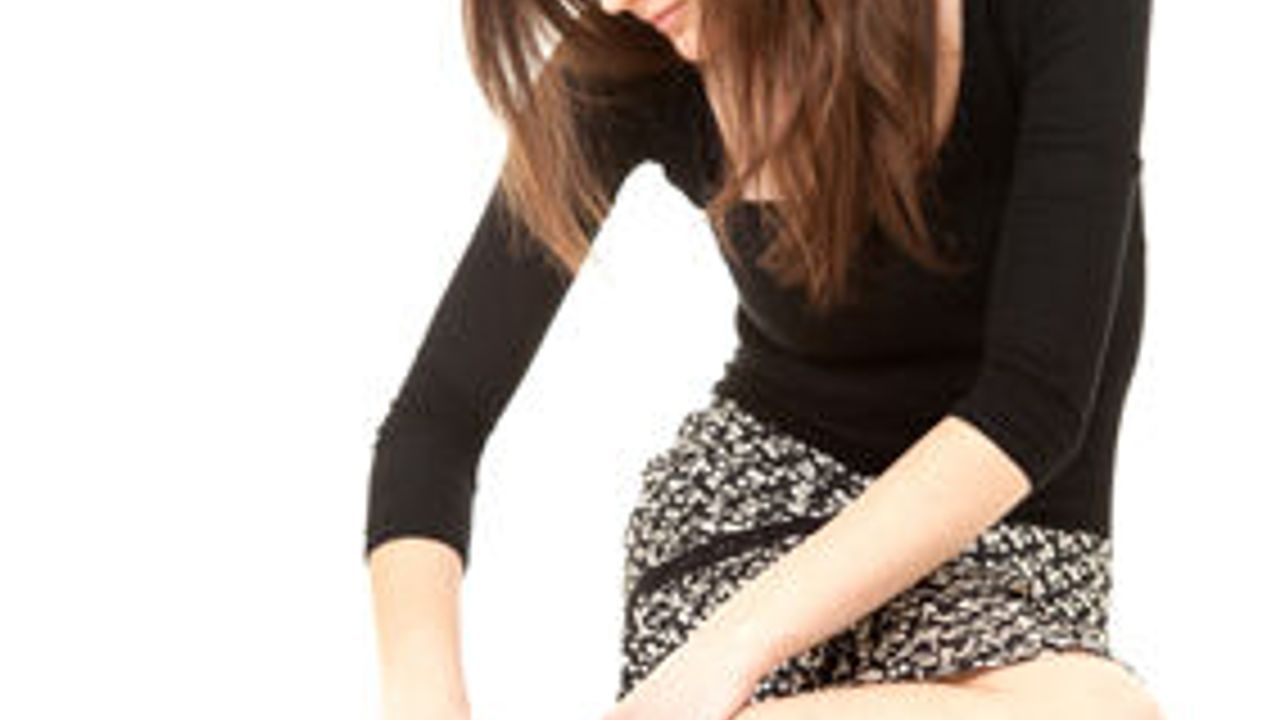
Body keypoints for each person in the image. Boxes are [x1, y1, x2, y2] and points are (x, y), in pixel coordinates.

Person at [364, 1, 1166, 718]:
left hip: (1011, 547)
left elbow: (1031, 406)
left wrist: (725, 657)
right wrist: (426, 703)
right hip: (761, 510)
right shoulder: (626, 59)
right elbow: (438, 420)